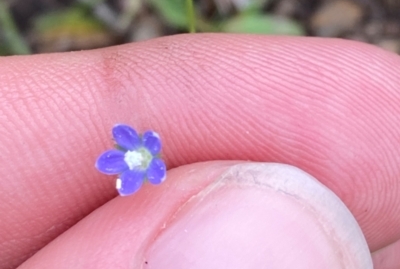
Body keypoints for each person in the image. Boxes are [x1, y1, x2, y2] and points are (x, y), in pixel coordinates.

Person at [1, 34, 399, 269]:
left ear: (146, 150)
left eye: (140, 156)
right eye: (136, 157)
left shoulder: (150, 160)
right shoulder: (143, 165)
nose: (136, 159)